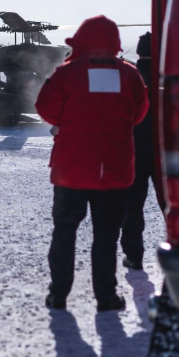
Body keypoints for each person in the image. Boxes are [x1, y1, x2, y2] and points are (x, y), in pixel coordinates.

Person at [35, 15, 148, 312]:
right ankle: (106, 297)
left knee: (64, 232)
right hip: (114, 169)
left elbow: (45, 108)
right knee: (107, 237)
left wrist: (69, 124)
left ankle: (58, 295)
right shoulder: (130, 75)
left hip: (70, 169)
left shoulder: (66, 73)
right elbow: (139, 112)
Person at [120, 32, 164, 270]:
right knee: (170, 204)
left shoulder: (130, 76)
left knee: (132, 207)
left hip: (134, 150)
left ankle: (134, 255)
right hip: (163, 151)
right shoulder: (167, 76)